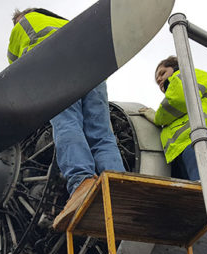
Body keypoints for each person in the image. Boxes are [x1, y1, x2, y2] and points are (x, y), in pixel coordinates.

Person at [8, 8, 125, 231]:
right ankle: (119, 185)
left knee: (67, 124)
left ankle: (82, 183)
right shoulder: (66, 23)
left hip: (53, 68)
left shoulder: (21, 26)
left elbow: (15, 74)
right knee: (101, 134)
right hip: (92, 70)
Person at [142, 56, 207, 186]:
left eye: (162, 73)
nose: (159, 79)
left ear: (175, 68)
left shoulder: (185, 75)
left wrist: (157, 117)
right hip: (197, 145)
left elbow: (180, 99)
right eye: (157, 80)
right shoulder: (175, 105)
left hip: (204, 142)